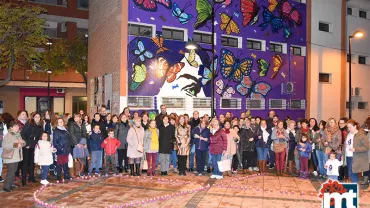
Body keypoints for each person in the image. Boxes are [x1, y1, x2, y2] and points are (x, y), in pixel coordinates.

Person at [21, 112, 44, 186]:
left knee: (32, 163)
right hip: (27, 146)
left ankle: (31, 177)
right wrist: (26, 144)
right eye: (36, 117)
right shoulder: (29, 124)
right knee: (25, 163)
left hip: (34, 145)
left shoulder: (40, 125)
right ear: (33, 118)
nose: (37, 118)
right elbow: (23, 134)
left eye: (38, 117)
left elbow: (39, 136)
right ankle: (23, 181)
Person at [2, 121, 25, 192]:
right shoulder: (8, 135)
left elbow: (23, 143)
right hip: (11, 157)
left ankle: (11, 183)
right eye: (15, 126)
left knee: (14, 171)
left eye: (17, 126)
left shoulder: (18, 134)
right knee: (11, 171)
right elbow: (5, 145)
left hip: (16, 156)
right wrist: (16, 145)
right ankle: (6, 186)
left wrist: (22, 143)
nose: (17, 127)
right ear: (11, 128)